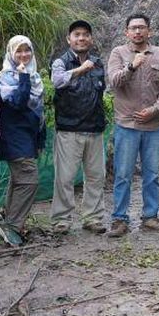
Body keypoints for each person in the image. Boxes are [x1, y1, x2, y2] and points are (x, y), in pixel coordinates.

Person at [106, 13, 159, 236]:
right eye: (133, 28)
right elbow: (114, 81)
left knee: (152, 174)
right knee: (123, 174)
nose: (137, 31)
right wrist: (131, 67)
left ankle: (150, 217)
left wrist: (154, 110)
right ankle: (119, 218)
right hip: (127, 125)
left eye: (141, 28)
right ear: (126, 32)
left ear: (149, 31)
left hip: (153, 126)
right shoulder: (118, 53)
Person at [50, 19, 108, 235]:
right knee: (64, 178)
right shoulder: (60, 62)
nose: (81, 38)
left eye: (85, 34)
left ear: (91, 39)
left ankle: (92, 217)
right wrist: (80, 70)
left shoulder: (98, 63)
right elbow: (56, 82)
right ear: (69, 39)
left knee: (96, 177)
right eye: (77, 34)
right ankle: (61, 220)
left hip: (94, 129)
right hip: (69, 130)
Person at [0, 35, 47, 246]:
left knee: (19, 181)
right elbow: (17, 103)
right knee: (29, 180)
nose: (24, 55)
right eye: (19, 51)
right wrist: (22, 78)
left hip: (26, 137)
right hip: (13, 136)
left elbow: (38, 113)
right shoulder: (4, 78)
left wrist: (39, 140)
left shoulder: (34, 77)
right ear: (10, 53)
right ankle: (12, 226)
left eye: (27, 50)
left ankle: (10, 224)